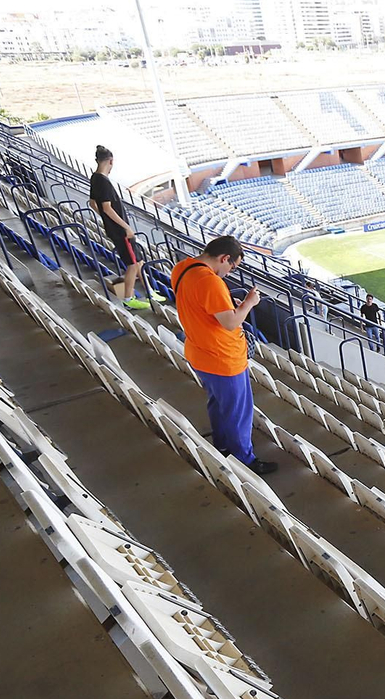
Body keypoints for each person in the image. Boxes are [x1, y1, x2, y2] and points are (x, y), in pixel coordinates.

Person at [172, 236, 277, 474]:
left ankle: (222, 446)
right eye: (232, 266)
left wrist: (229, 305)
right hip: (222, 358)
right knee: (238, 411)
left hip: (200, 353)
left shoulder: (182, 267)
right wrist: (248, 304)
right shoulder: (210, 281)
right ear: (224, 258)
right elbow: (230, 323)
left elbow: (199, 305)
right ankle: (244, 461)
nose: (229, 273)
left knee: (219, 405)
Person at [89, 145, 157, 310]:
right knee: (132, 265)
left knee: (138, 260)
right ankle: (128, 298)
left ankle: (150, 291)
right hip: (120, 231)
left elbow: (92, 204)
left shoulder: (95, 178)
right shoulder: (104, 182)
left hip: (114, 228)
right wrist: (125, 226)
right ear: (111, 161)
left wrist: (106, 220)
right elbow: (106, 207)